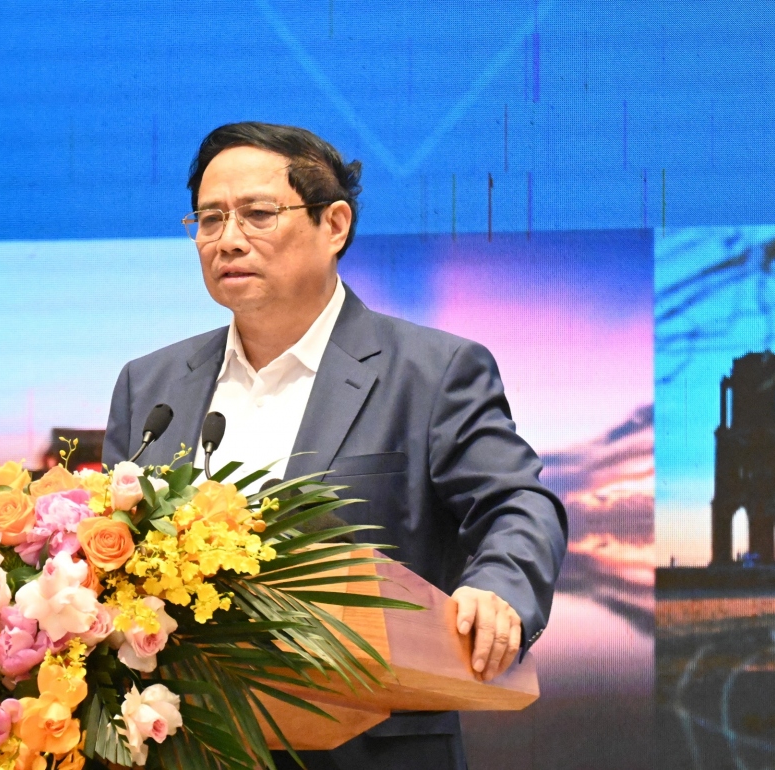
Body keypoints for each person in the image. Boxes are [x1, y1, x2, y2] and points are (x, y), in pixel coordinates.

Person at [102, 122, 567, 770]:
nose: (228, 239)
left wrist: (500, 591)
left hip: (372, 749)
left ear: (335, 225)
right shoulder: (150, 386)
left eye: (257, 214)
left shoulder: (430, 373)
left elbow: (518, 503)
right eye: (209, 219)